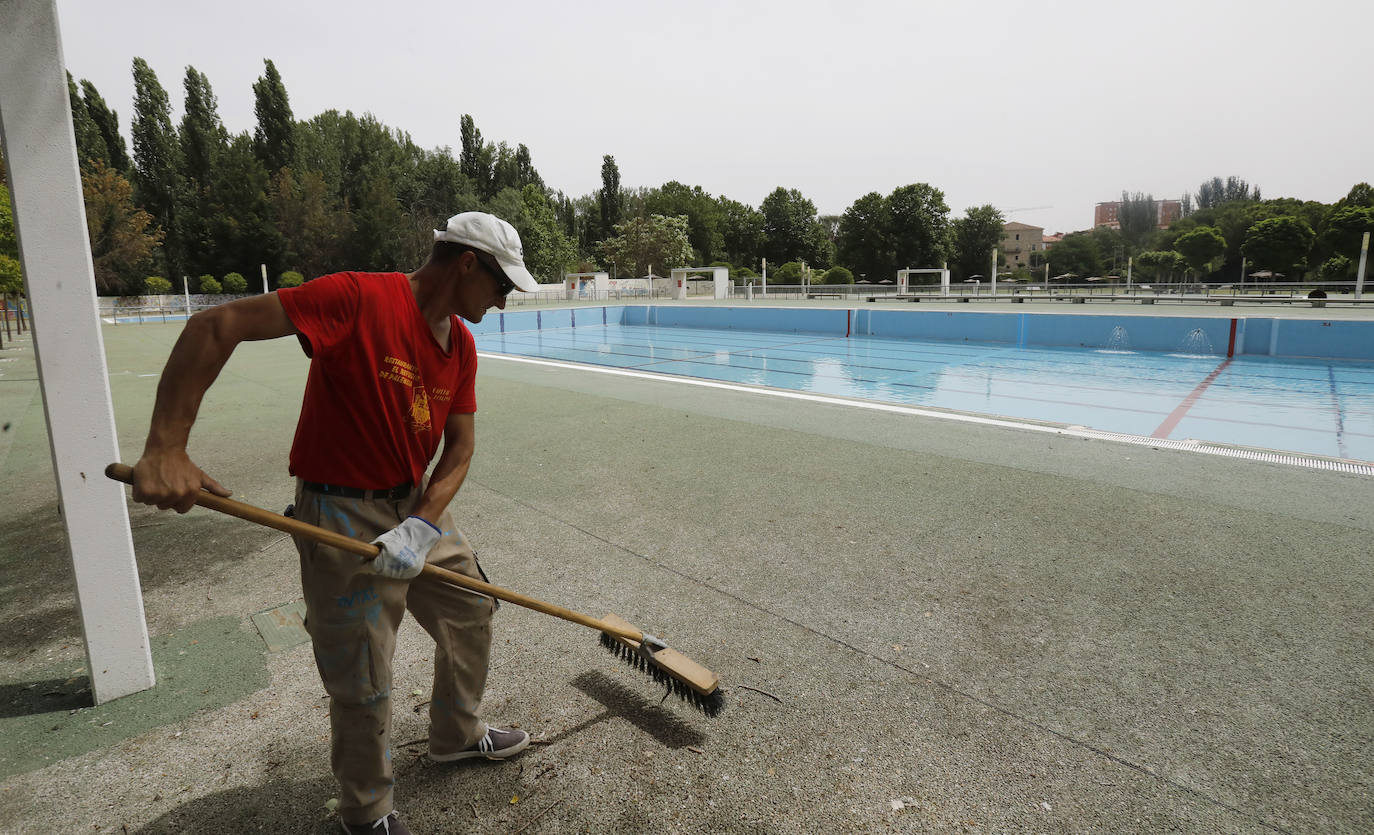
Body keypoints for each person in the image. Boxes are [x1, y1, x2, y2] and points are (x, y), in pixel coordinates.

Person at [130, 212, 540, 835]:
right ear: (466, 264)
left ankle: (456, 734)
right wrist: (166, 446)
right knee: (363, 675)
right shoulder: (357, 298)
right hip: (340, 511)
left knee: (470, 608)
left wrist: (422, 527)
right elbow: (217, 324)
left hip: (414, 507)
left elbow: (459, 450)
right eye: (501, 285)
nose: (503, 300)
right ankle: (367, 812)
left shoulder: (461, 344)